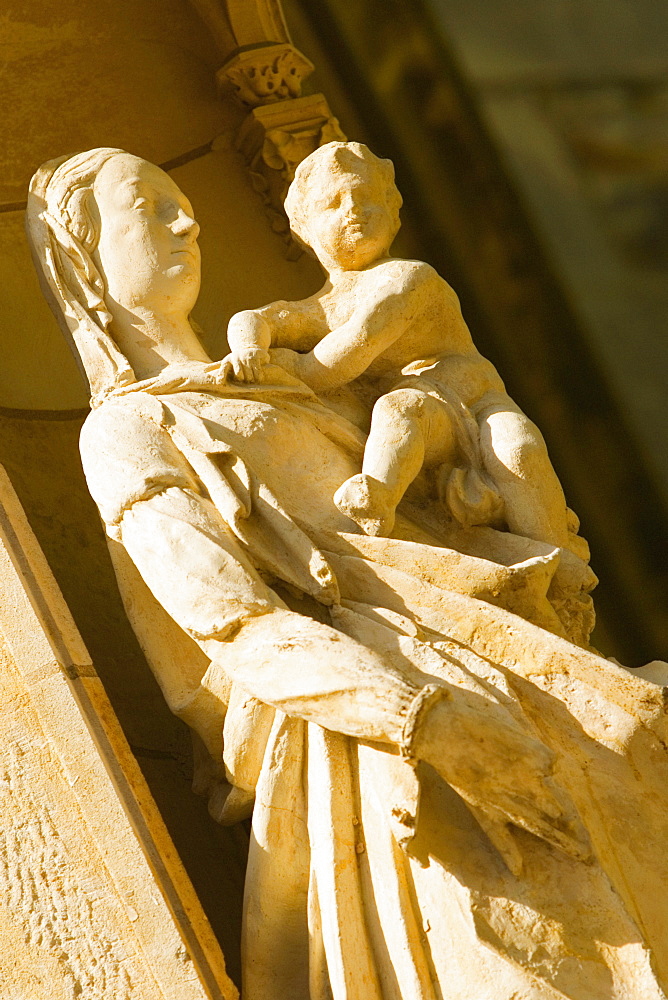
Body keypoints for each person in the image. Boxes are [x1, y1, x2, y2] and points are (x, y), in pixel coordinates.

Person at [27, 147, 668, 1000]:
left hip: (495, 648)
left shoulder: (306, 375)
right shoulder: (127, 431)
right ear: (87, 254)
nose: (188, 220)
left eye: (187, 200)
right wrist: (425, 723)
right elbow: (234, 621)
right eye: (151, 206)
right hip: (374, 738)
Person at [222, 141, 586, 572]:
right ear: (304, 230)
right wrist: (248, 348)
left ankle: (556, 556)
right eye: (334, 204)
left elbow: (340, 359)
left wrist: (289, 366)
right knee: (398, 410)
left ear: (393, 212)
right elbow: (257, 317)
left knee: (518, 448)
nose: (354, 210)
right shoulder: (321, 308)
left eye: (367, 197)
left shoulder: (408, 279)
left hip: (475, 399)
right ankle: (375, 499)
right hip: (422, 408)